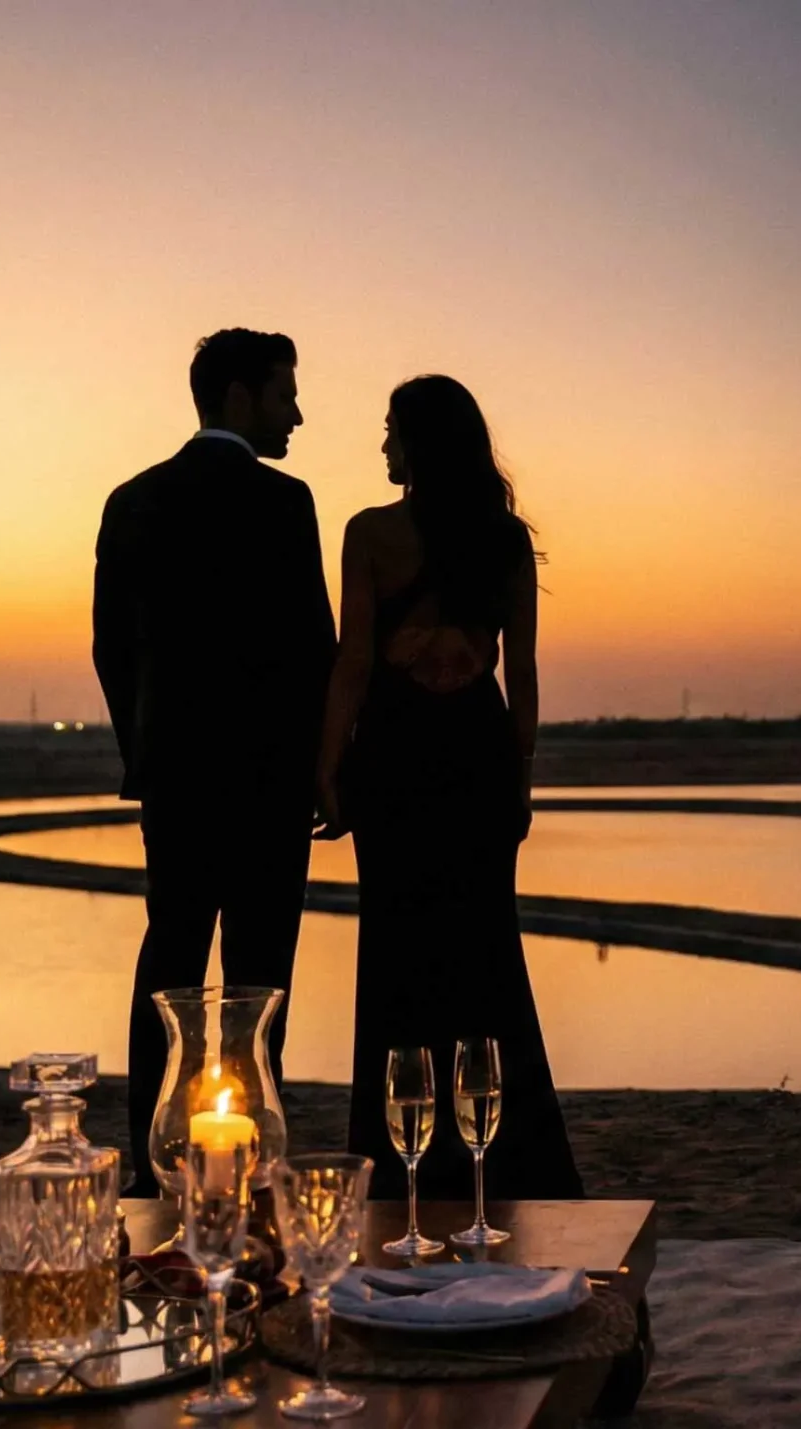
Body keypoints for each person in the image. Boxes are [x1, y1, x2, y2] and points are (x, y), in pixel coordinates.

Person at [317, 374, 583, 1201]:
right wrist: (524, 778)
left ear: (421, 441)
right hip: (477, 759)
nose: (384, 445)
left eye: (393, 429)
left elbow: (354, 664)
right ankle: (504, 1160)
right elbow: (524, 676)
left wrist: (327, 767)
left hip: (395, 760)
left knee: (397, 958)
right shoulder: (502, 540)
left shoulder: (369, 533)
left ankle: (403, 1166)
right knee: (485, 959)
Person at [93, 328, 335, 1193]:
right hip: (271, 784)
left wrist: (146, 753)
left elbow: (111, 650)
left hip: (180, 782)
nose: (297, 414)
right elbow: (317, 649)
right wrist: (324, 768)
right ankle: (252, 1155)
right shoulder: (287, 502)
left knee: (171, 964)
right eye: (284, 395)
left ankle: (150, 1165)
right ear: (238, 397)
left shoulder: (135, 501)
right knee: (262, 976)